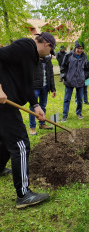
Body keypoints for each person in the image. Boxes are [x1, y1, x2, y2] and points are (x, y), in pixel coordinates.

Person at [0, 32, 56, 208]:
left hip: (8, 105)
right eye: (51, 50)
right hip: (4, 105)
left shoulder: (32, 58)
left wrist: (36, 105)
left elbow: (26, 85)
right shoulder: (26, 46)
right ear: (47, 44)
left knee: (4, 141)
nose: (50, 54)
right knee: (21, 145)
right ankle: (23, 195)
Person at [61, 40, 89, 121]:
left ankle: (79, 113)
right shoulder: (68, 56)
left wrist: (84, 76)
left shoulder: (85, 57)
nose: (80, 50)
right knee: (67, 99)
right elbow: (63, 67)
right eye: (78, 48)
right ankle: (64, 115)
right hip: (69, 81)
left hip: (80, 81)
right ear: (75, 48)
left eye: (81, 48)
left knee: (79, 99)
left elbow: (88, 69)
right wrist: (65, 77)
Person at [29, 55, 56, 135]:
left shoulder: (48, 59)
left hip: (45, 87)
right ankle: (32, 127)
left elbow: (51, 74)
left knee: (43, 106)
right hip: (35, 87)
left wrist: (53, 88)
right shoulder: (32, 59)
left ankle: (42, 123)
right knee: (33, 107)